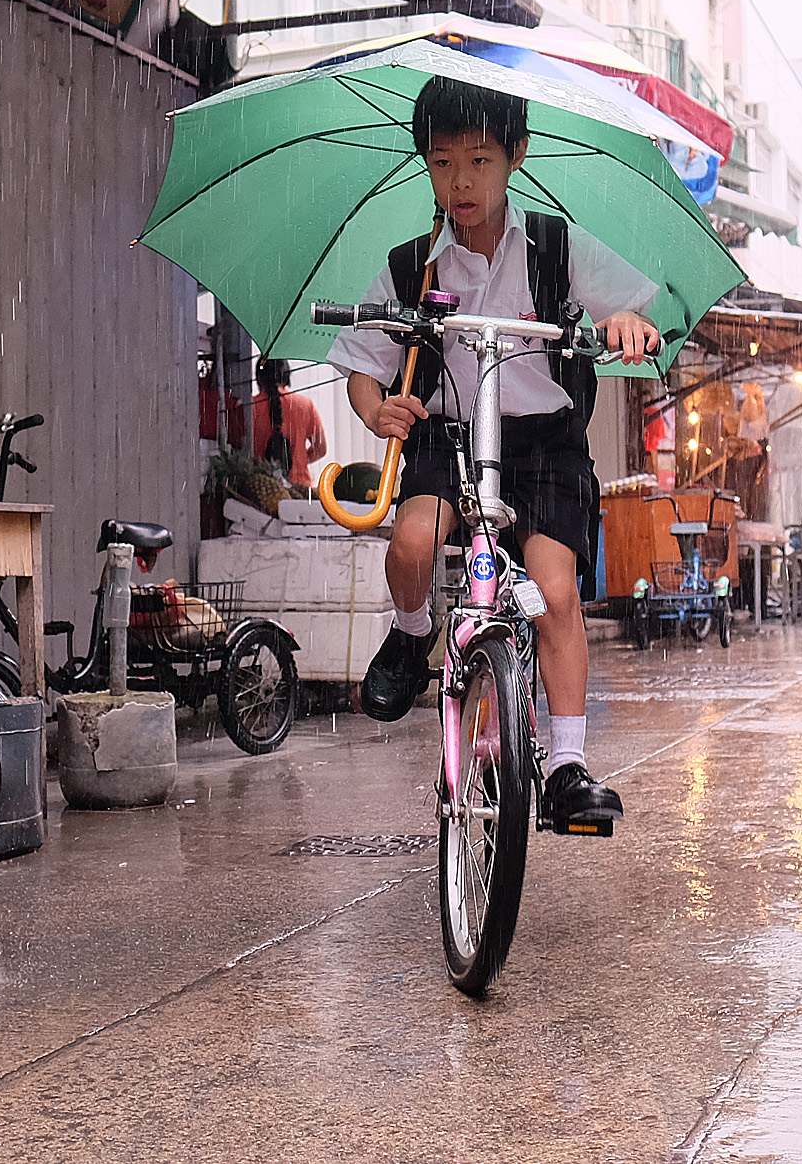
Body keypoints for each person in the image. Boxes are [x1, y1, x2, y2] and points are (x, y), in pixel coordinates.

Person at [327, 77, 660, 830]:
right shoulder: (414, 265)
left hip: (543, 446)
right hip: (447, 442)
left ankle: (567, 765)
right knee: (411, 541)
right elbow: (361, 365)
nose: (462, 181)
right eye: (442, 163)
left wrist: (628, 327)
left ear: (517, 155)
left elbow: (629, 311)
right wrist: (375, 407)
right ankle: (414, 641)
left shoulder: (555, 247)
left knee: (556, 592)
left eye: (479, 160)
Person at [250, 358, 327, 488]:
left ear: (259, 378)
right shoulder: (305, 405)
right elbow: (320, 448)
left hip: (262, 487)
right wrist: (298, 460)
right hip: (299, 488)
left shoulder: (250, 407)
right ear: (286, 376)